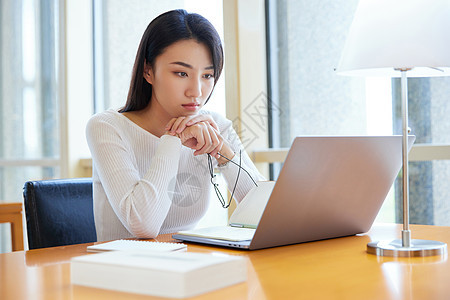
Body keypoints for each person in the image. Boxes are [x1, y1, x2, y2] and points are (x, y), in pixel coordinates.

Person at [86, 9, 265, 242]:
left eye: (207, 76)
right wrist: (173, 138)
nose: (197, 91)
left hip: (189, 264)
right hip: (124, 271)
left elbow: (266, 214)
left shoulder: (213, 126)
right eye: (181, 73)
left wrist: (224, 153)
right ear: (148, 71)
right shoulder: (107, 127)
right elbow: (144, 226)